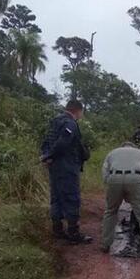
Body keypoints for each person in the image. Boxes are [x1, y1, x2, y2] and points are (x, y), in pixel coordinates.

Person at [101, 142, 140, 262]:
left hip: (114, 178)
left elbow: (104, 171)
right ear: (134, 147)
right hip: (136, 179)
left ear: (123, 147)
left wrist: (110, 184)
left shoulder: (112, 153)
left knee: (110, 212)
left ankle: (105, 245)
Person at [40, 100, 92, 244]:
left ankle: (57, 230)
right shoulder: (70, 123)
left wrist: (47, 156)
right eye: (82, 112)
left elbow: (46, 141)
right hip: (66, 166)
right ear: (78, 110)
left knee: (56, 197)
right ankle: (73, 233)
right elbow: (63, 143)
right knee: (71, 198)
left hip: (55, 166)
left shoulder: (55, 121)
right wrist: (50, 156)